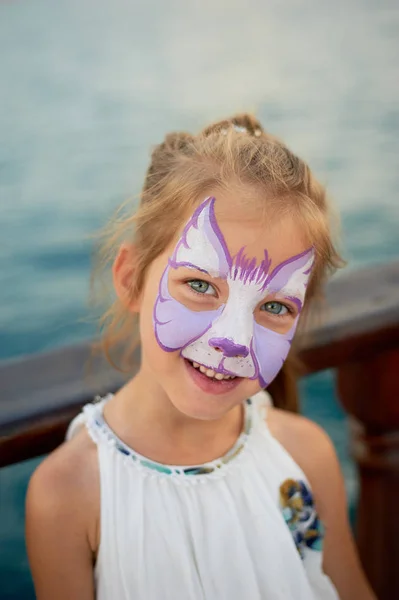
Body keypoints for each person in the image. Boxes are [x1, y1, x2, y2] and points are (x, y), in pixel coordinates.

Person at [25, 114, 376, 600]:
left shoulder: (306, 455)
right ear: (130, 279)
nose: (233, 338)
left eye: (274, 306)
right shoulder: (67, 494)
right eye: (199, 285)